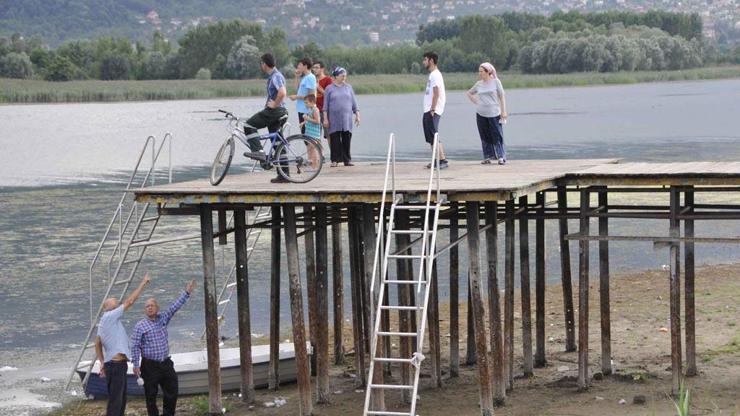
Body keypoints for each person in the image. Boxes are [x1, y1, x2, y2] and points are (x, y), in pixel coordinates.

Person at [130, 279, 196, 416]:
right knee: (151, 396)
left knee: (172, 389)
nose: (149, 307)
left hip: (165, 363)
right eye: (147, 306)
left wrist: (187, 292)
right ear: (145, 310)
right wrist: (135, 365)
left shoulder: (163, 318)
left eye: (152, 305)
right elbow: (135, 346)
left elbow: (174, 307)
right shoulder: (140, 326)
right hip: (149, 366)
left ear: (157, 308)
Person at [95, 274, 151, 416]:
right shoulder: (109, 316)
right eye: (115, 302)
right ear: (107, 307)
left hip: (115, 365)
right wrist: (143, 283)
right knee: (116, 401)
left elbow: (97, 343)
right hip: (115, 365)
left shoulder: (107, 322)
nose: (118, 303)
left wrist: (102, 361)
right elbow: (130, 301)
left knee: (121, 399)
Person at [242, 53, 290, 183]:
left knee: (248, 125)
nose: (260, 66)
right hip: (280, 111)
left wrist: (274, 104)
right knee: (278, 143)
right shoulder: (275, 75)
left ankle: (259, 152)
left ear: (264, 63)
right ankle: (284, 175)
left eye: (261, 63)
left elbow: (282, 92)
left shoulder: (275, 76)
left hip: (274, 111)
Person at [466, 62, 508, 165]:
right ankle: (488, 156)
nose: (479, 73)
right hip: (481, 114)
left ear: (488, 72)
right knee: (484, 135)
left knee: (497, 135)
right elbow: (469, 93)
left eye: (481, 71)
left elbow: (502, 97)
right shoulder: (479, 84)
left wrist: (503, 111)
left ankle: (501, 157)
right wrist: (477, 102)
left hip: (494, 113)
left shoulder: (496, 82)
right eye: (479, 71)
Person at [323, 67, 360, 167]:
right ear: (335, 76)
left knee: (347, 138)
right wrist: (325, 118)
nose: (344, 77)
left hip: (346, 118)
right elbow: (325, 105)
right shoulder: (329, 88)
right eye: (342, 75)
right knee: (335, 139)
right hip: (334, 118)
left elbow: (354, 102)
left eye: (345, 75)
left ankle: (347, 160)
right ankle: (335, 160)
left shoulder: (348, 87)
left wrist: (357, 114)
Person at [421, 51, 448, 169]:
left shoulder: (435, 74)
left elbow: (436, 93)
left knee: (434, 135)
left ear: (431, 61)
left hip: (433, 110)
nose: (423, 62)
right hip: (428, 109)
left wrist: (432, 109)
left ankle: (442, 160)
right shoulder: (432, 75)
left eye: (425, 60)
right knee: (431, 137)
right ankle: (435, 160)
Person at [289, 57, 317, 135]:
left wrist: (296, 97)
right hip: (302, 109)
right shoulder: (305, 77)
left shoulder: (310, 77)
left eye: (300, 65)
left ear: (305, 66)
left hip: (307, 111)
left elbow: (311, 95)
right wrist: (297, 76)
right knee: (305, 136)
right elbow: (297, 89)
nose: (298, 67)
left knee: (309, 138)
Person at [312, 60, 333, 141]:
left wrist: (319, 88)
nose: (314, 69)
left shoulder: (328, 80)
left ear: (322, 69)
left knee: (329, 136)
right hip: (314, 111)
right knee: (315, 137)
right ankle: (320, 154)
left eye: (317, 68)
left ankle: (333, 154)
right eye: (313, 68)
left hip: (325, 112)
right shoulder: (312, 79)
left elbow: (330, 96)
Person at [299, 94, 322, 169]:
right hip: (309, 133)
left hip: (314, 134)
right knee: (309, 148)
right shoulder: (310, 110)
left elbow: (317, 121)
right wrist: (303, 123)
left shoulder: (315, 110)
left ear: (312, 102)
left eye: (306, 103)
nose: (305, 104)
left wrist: (307, 118)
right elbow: (309, 119)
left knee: (314, 150)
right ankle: (310, 165)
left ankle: (314, 167)